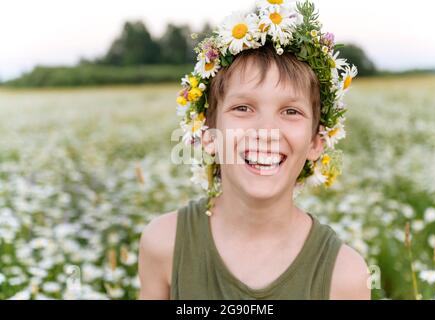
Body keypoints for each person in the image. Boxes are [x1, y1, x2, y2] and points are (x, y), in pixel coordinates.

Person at [139, 0, 371, 300]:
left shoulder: (346, 276)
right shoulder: (164, 244)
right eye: (243, 108)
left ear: (316, 142)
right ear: (208, 134)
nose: (266, 131)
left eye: (290, 111)